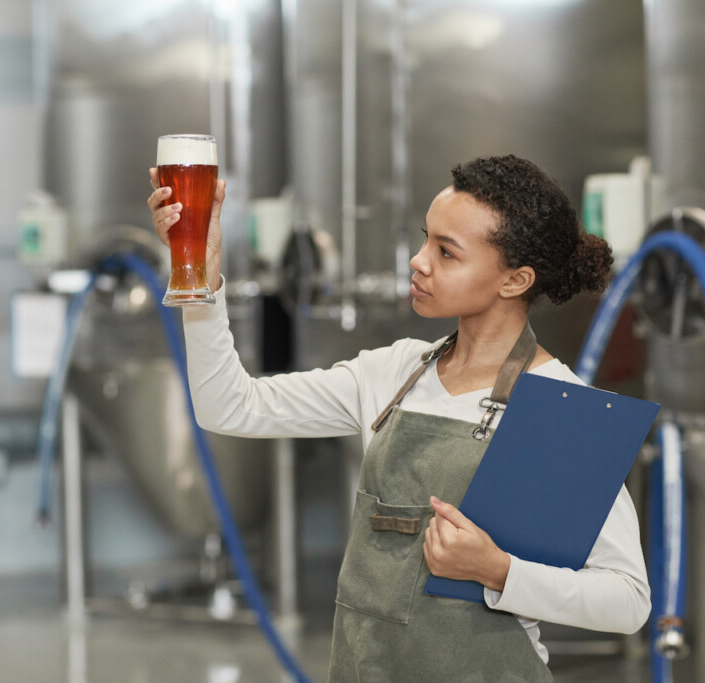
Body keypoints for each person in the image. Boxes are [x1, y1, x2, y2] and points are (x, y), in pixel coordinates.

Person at [147, 155, 651, 681]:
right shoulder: (392, 372)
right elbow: (229, 406)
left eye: (446, 252)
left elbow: (627, 600)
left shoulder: (559, 407)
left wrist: (499, 571)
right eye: (424, 240)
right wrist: (199, 280)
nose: (418, 261)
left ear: (514, 279)